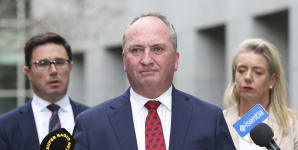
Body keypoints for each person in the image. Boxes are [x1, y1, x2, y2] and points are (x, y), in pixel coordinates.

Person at [73, 13, 236, 150]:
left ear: (176, 60)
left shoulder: (209, 119)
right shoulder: (91, 125)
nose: (146, 60)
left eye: (157, 49)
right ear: (124, 60)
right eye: (136, 50)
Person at [0, 32, 89, 150]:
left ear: (70, 67)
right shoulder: (5, 127)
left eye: (60, 62)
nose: (53, 70)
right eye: (43, 64)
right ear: (28, 72)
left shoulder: (93, 120)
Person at [223, 38, 298, 150]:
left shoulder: (294, 124)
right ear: (234, 76)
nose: (248, 77)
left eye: (258, 72)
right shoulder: (219, 123)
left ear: (272, 80)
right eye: (241, 70)